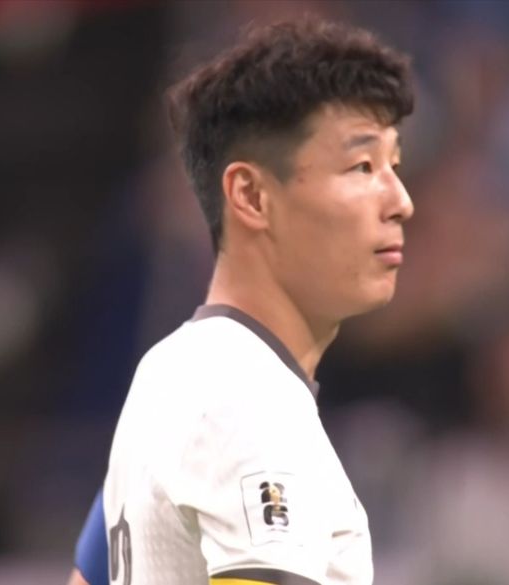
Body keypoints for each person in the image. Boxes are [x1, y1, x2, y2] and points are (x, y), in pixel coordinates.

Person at [70, 15, 414, 585]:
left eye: (393, 167)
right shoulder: (251, 401)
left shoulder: (167, 372)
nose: (400, 200)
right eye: (361, 166)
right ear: (251, 195)